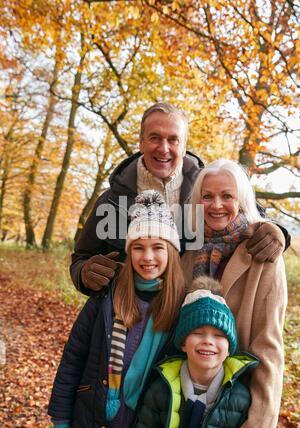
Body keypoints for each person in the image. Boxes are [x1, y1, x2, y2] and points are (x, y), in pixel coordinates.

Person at [70, 102, 289, 296]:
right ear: (141, 142)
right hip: (126, 321)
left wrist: (279, 232)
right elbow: (80, 257)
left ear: (184, 146)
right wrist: (83, 273)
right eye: (154, 137)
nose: (163, 148)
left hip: (189, 325)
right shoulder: (111, 201)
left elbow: (256, 217)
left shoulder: (209, 191)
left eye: (173, 140)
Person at [48, 190, 185, 428]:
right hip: (90, 424)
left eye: (158, 247)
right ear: (128, 251)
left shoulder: (179, 309)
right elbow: (72, 360)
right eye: (138, 248)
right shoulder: (105, 299)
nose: (147, 257)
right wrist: (61, 425)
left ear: (171, 253)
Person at [181, 159, 288, 428]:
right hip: (183, 401)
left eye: (227, 196)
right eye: (207, 196)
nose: (216, 205)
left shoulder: (263, 256)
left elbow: (269, 350)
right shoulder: (188, 252)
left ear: (241, 199)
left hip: (234, 410)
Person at [130, 276, 259, 428]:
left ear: (229, 349)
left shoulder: (240, 399)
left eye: (219, 335)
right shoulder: (160, 390)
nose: (208, 341)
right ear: (183, 343)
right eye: (198, 332)